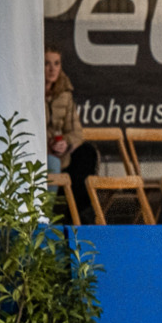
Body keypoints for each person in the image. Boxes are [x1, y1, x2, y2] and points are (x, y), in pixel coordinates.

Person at [44, 44, 96, 219]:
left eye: (56, 63)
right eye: (47, 63)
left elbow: (76, 131)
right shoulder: (30, 93)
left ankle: (78, 216)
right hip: (39, 153)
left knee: (87, 153)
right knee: (53, 163)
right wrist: (48, 144)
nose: (52, 69)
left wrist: (65, 143)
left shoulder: (65, 95)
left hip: (62, 152)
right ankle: (45, 217)